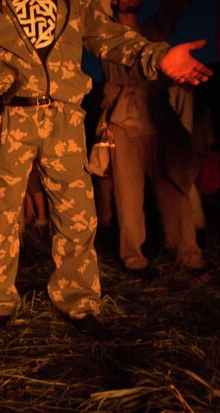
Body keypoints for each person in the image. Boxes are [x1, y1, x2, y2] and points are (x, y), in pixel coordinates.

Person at [0, 0, 212, 335]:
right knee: (1, 216)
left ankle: (78, 300)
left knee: (77, 217)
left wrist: (156, 56)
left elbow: (108, 35)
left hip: (64, 118)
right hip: (10, 116)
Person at [98, 0, 207, 272]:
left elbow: (175, 8)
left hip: (157, 116)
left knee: (174, 187)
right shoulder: (105, 33)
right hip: (123, 121)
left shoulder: (154, 29)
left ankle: (187, 253)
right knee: (127, 196)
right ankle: (133, 258)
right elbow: (92, 10)